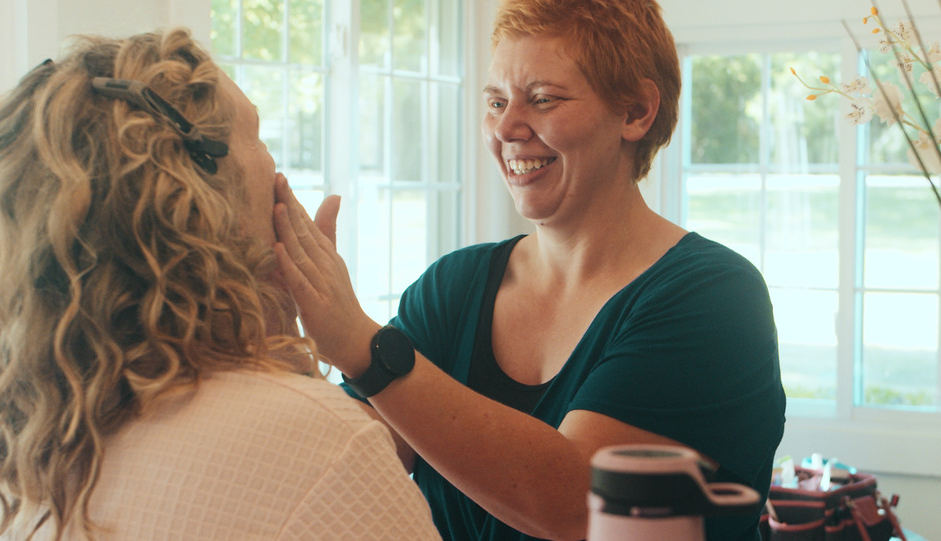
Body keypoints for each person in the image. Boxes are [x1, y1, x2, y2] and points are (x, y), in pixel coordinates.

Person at [271, 0, 787, 540]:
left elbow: (575, 505)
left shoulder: (716, 299)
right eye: (496, 102)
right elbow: (342, 468)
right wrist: (281, 337)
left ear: (636, 111)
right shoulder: (453, 288)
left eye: (542, 99)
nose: (507, 128)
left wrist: (359, 344)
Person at [0, 29, 438, 541]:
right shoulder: (327, 446)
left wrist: (274, 338)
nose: (276, 168)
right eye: (256, 136)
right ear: (207, 196)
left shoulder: (3, 458)